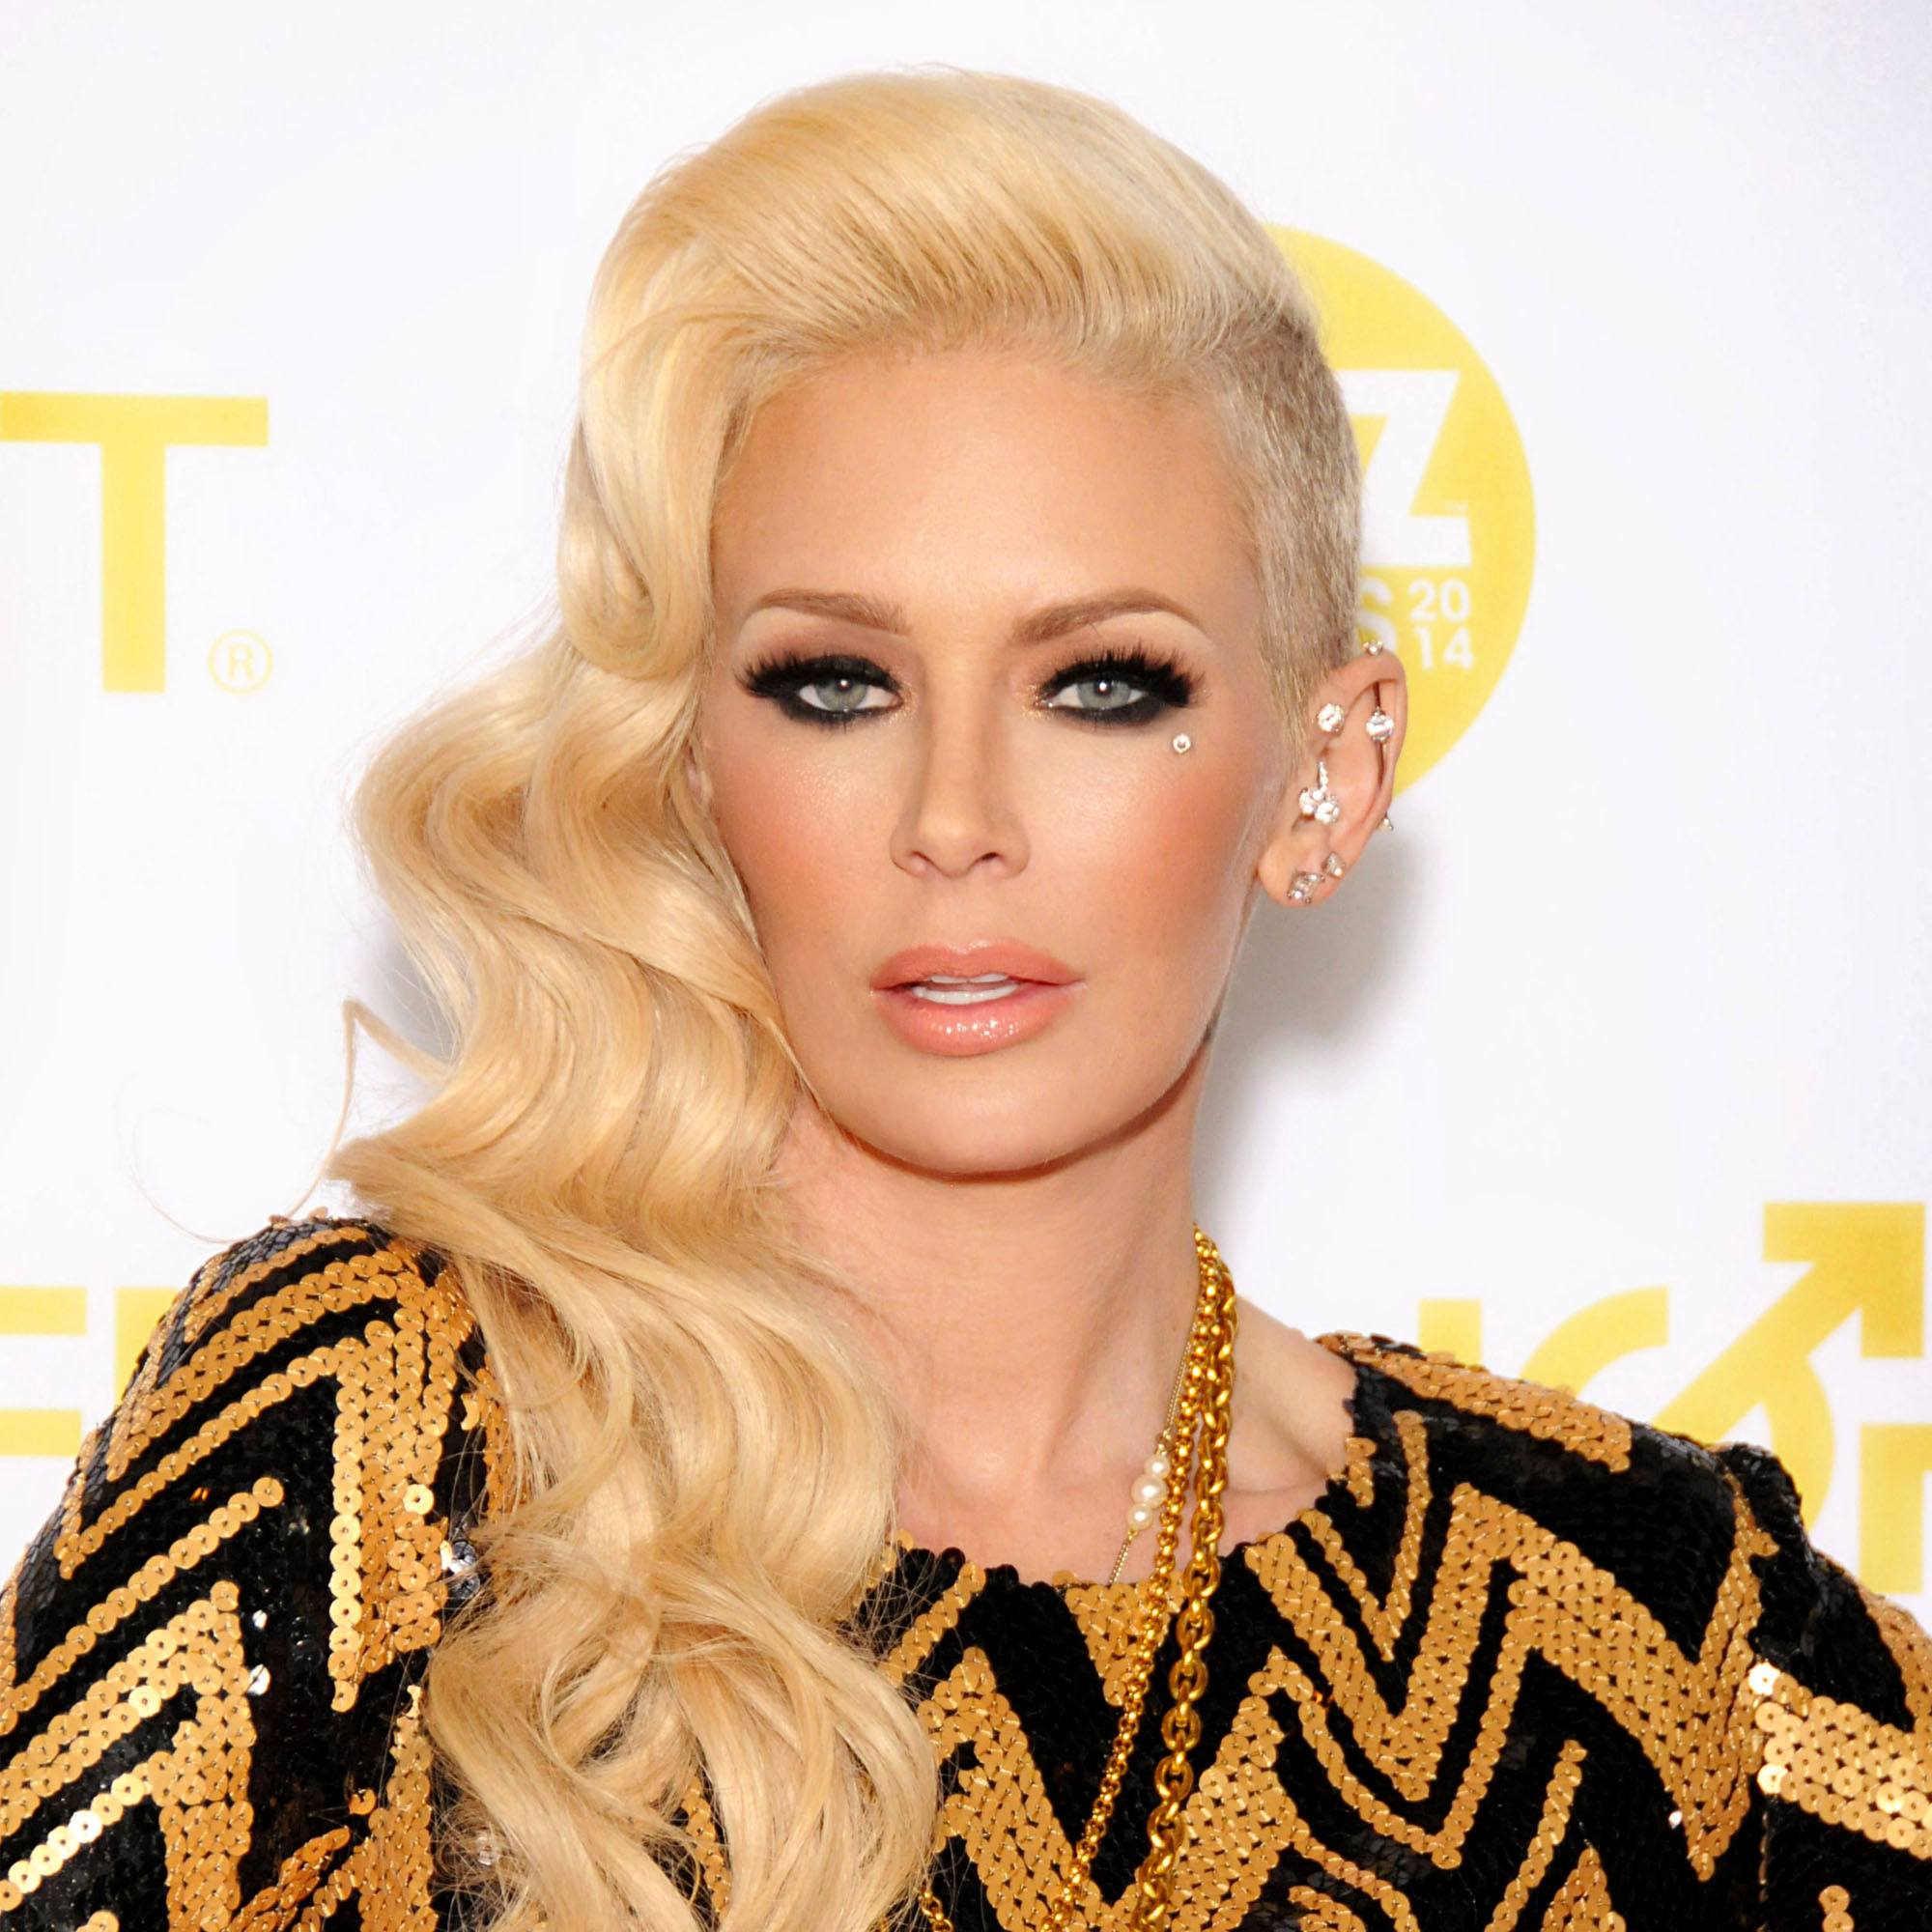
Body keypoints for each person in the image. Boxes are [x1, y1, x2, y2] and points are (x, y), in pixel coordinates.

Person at [1, 62, 1925, 1932]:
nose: (953, 820)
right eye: (835, 686)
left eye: (1103, 685)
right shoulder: (373, 1446)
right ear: (692, 764)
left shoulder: (1634, 1622)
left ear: (1324, 774)